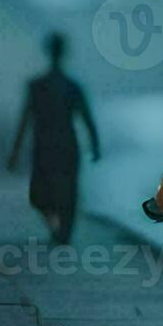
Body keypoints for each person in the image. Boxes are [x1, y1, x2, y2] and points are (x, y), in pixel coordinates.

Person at [7, 32, 101, 245]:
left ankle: (60, 232)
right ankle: (61, 231)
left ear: (49, 51)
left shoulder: (39, 86)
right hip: (62, 147)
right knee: (56, 195)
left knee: (46, 195)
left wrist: (15, 153)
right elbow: (87, 120)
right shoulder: (67, 87)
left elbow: (24, 122)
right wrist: (95, 145)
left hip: (48, 147)